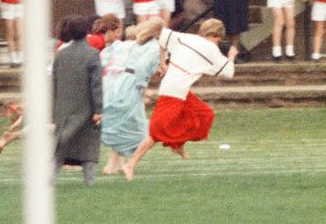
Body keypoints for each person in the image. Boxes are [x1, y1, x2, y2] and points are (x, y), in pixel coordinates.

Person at [122, 19, 238, 181]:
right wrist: (231, 56)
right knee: (156, 133)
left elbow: (161, 38)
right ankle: (130, 164)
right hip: (173, 92)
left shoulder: (185, 37)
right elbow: (229, 72)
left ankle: (177, 144)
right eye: (219, 38)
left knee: (204, 114)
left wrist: (163, 63)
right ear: (214, 35)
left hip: (179, 90)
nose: (219, 42)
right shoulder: (211, 49)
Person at [100, 18, 163, 175]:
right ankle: (126, 163)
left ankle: (114, 162)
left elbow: (105, 55)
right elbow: (141, 68)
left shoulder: (129, 44)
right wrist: (143, 88)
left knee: (124, 121)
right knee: (136, 126)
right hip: (130, 85)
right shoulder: (153, 47)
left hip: (114, 82)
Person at [52, 15, 103, 186]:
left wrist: (54, 110)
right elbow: (96, 84)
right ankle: (90, 181)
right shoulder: (93, 54)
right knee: (88, 145)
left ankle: (48, 180)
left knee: (60, 147)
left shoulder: (60, 55)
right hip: (86, 109)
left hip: (63, 109)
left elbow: (54, 84)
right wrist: (98, 110)